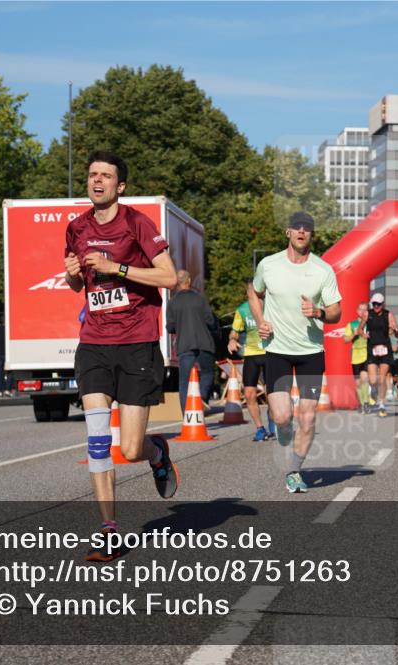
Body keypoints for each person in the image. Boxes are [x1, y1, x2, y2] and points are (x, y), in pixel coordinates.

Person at [64, 150, 179, 562]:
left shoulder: (137, 224)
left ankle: (158, 452)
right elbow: (76, 284)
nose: (97, 181)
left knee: (129, 449)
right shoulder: (76, 227)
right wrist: (74, 274)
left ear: (120, 185)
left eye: (106, 176)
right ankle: (108, 529)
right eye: (92, 174)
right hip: (94, 342)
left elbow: (169, 277)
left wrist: (120, 270)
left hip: (137, 343)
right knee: (97, 439)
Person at [249, 211, 341, 493]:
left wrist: (319, 311)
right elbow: (253, 292)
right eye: (296, 228)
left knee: (309, 416)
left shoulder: (323, 270)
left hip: (311, 352)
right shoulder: (269, 265)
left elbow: (336, 312)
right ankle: (283, 429)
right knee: (281, 417)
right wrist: (261, 320)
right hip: (277, 350)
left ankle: (294, 471)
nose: (301, 232)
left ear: (312, 235)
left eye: (307, 229)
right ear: (288, 232)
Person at [167, 269, 218, 413]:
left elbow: (170, 327)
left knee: (184, 381)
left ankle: (187, 415)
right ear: (188, 281)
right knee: (207, 373)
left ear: (177, 283)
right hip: (204, 343)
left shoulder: (172, 303)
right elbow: (210, 321)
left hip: (185, 344)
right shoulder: (200, 299)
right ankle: (201, 398)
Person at [229, 282, 275, 441]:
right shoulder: (242, 310)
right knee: (249, 393)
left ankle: (273, 420)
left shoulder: (272, 306)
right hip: (251, 354)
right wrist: (232, 341)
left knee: (272, 395)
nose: (254, 295)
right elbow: (234, 332)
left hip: (271, 353)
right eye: (251, 292)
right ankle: (260, 428)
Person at [366, 292, 398, 417]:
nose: (376, 306)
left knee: (382, 378)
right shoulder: (367, 314)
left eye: (378, 304)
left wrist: (393, 329)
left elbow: (392, 331)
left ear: (382, 304)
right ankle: (373, 391)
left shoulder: (388, 314)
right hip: (372, 348)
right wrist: (364, 334)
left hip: (385, 349)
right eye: (374, 304)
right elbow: (360, 329)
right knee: (373, 379)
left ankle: (382, 404)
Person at [343, 302, 373, 413]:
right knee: (358, 383)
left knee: (364, 378)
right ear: (357, 311)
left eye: (365, 310)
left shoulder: (370, 323)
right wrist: (354, 334)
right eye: (361, 309)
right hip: (355, 356)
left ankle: (366, 403)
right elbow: (345, 340)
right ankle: (361, 403)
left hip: (367, 354)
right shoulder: (351, 324)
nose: (363, 312)